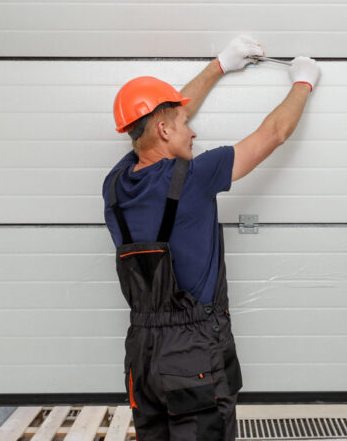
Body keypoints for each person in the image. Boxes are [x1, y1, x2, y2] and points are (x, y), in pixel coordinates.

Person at [103, 35, 321, 441]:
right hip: (192, 352)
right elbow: (273, 133)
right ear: (165, 129)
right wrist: (302, 82)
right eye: (185, 124)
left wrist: (219, 65)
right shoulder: (195, 177)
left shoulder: (116, 184)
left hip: (142, 356)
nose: (193, 131)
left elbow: (157, 122)